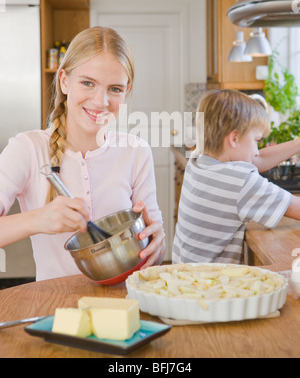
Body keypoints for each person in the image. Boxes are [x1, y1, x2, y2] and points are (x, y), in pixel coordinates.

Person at [0, 26, 165, 281]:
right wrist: (37, 219)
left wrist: (156, 244)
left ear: (126, 90)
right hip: (55, 308)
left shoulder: (136, 151)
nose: (101, 101)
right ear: (65, 81)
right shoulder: (28, 149)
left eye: (115, 89)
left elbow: (152, 249)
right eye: (88, 83)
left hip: (123, 306)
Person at [172, 89, 300, 265]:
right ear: (234, 138)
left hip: (183, 278)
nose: (256, 150)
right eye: (256, 140)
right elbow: (296, 208)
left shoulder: (198, 160)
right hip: (212, 285)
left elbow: (257, 159)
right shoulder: (241, 182)